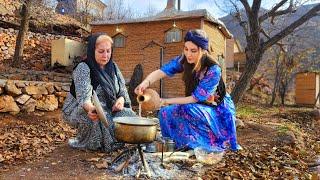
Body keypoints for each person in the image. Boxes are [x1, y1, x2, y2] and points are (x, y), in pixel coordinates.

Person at [135, 29, 241, 153]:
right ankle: (172, 144)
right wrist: (145, 83)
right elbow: (162, 71)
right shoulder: (184, 60)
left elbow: (195, 98)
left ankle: (198, 145)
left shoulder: (213, 70)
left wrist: (164, 100)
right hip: (196, 105)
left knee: (186, 109)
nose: (188, 54)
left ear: (203, 50)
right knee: (164, 112)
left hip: (217, 109)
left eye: (193, 51)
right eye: (186, 49)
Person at [62, 33, 136, 152]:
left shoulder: (113, 67)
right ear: (92, 50)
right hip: (81, 108)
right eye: (101, 51)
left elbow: (122, 89)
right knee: (102, 118)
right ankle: (94, 141)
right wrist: (91, 108)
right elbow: (84, 97)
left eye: (108, 51)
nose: (105, 56)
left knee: (129, 115)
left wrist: (121, 100)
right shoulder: (83, 67)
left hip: (109, 107)